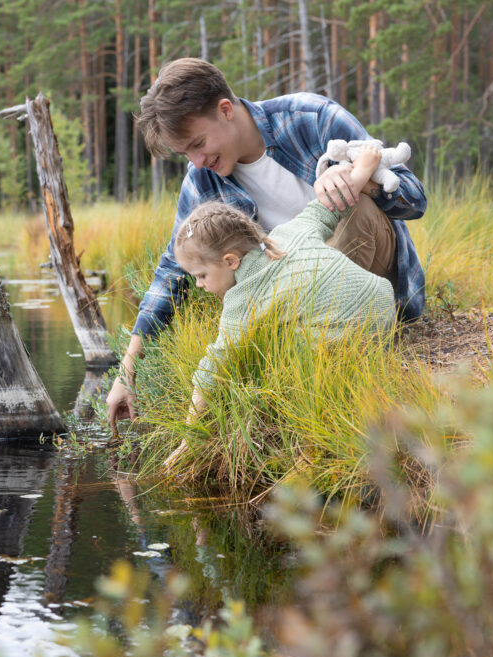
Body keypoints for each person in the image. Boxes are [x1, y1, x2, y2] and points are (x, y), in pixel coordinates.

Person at [107, 58, 426, 434]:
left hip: (366, 275)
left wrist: (360, 181)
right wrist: (127, 371)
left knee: (355, 208)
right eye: (186, 154)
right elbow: (172, 274)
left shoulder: (312, 117)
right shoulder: (202, 181)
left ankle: (320, 363)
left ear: (225, 110)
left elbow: (414, 199)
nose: (197, 162)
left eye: (198, 144)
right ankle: (299, 363)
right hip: (291, 305)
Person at [163, 147, 394, 467]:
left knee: (269, 366)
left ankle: (316, 441)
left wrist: (189, 440)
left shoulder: (243, 297)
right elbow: (331, 204)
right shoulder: (289, 232)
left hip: (347, 334)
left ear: (230, 261)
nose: (199, 285)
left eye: (201, 275)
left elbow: (211, 370)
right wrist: (366, 165)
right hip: (382, 302)